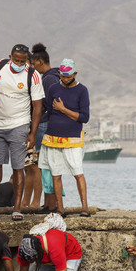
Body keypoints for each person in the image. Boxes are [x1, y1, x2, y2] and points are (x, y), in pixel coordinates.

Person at [0, 44, 43, 221]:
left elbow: (37, 107)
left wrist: (32, 134)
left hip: (19, 125)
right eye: (15, 59)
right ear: (10, 56)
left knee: (19, 167)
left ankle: (17, 208)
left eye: (22, 60)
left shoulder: (32, 76)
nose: (18, 63)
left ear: (27, 60)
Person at [41, 59, 92, 216]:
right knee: (56, 174)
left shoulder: (82, 90)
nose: (65, 79)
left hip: (73, 139)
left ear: (75, 74)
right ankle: (60, 208)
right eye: (63, 76)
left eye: (68, 76)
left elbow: (84, 117)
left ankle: (84, 207)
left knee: (78, 172)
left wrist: (63, 109)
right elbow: (49, 109)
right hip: (53, 138)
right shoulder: (53, 88)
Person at [28, 44, 57, 212]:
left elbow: (47, 105)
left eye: (33, 63)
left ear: (39, 61)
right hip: (46, 124)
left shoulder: (47, 79)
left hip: (44, 124)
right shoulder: (52, 77)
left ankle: (50, 203)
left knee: (45, 164)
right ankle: (48, 203)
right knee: (45, 164)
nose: (32, 67)